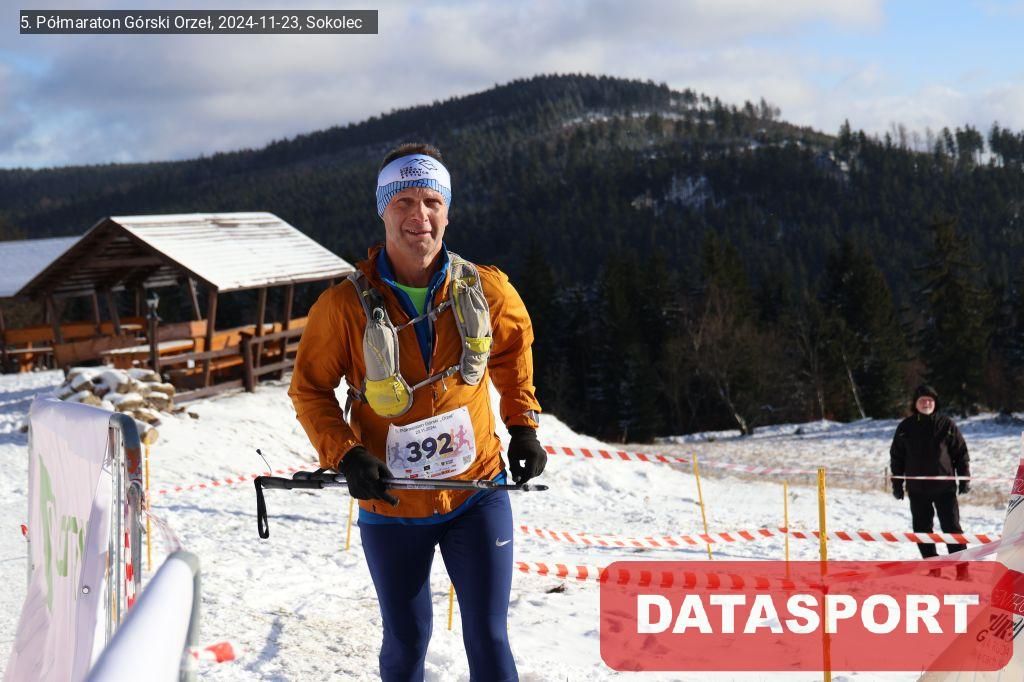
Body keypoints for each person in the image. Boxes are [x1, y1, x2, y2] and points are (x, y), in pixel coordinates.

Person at [288, 142, 545, 682]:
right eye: (403, 201)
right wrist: (346, 455)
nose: (419, 215)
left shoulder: (486, 288)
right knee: (406, 642)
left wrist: (522, 425)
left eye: (432, 201)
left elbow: (512, 350)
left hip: (476, 492)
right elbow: (310, 390)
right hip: (391, 504)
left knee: (489, 636)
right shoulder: (342, 307)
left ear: (447, 211)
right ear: (382, 210)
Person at [889, 384, 971, 563]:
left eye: (930, 400)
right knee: (922, 529)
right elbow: (897, 458)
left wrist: (964, 478)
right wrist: (897, 484)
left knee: (952, 528)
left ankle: (961, 567)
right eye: (922, 400)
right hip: (917, 489)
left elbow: (960, 453)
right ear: (915, 403)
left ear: (935, 403)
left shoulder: (946, 424)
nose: (926, 403)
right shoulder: (905, 427)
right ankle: (932, 565)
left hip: (945, 488)